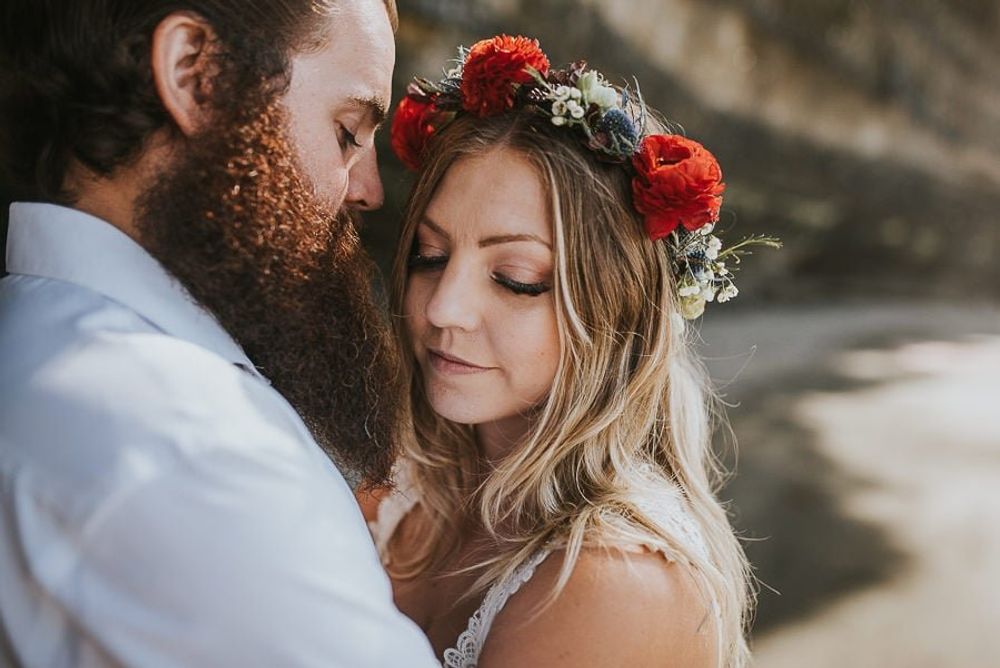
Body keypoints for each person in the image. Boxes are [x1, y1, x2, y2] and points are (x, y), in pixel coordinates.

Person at [0, 1, 440, 665]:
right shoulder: (186, 439)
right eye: (348, 131)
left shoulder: (33, 330)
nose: (370, 190)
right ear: (195, 73)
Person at [358, 35, 772, 667]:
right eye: (429, 256)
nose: (443, 307)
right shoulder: (411, 481)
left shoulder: (612, 585)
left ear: (616, 312)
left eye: (516, 278)